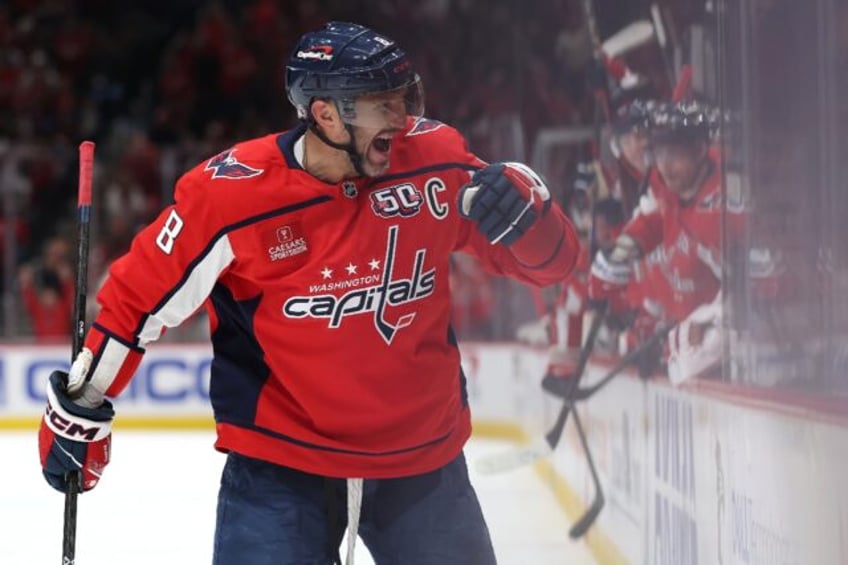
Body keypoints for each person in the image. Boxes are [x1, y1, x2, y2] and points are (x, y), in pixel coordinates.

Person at [38, 21, 580, 565]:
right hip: (281, 470)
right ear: (325, 115)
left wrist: (531, 218)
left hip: (423, 465)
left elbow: (553, 266)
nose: (402, 119)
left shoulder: (435, 159)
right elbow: (137, 300)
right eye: (382, 105)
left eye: (403, 99)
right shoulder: (231, 197)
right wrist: (80, 405)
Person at [587, 101, 745, 383]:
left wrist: (716, 321)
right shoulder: (668, 184)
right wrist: (619, 256)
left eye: (674, 153)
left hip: (743, 355)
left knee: (694, 348)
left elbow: (753, 291)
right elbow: (651, 218)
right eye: (659, 153)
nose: (665, 165)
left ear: (699, 150)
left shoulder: (723, 206)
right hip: (695, 337)